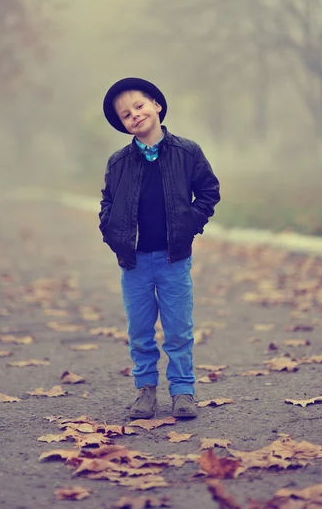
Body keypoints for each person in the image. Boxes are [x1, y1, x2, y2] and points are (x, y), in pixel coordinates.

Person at [99, 77, 220, 419]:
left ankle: (183, 392)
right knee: (139, 331)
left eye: (139, 106)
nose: (134, 115)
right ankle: (146, 392)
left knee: (178, 329)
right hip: (134, 262)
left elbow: (209, 191)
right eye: (126, 114)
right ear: (122, 125)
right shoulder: (118, 162)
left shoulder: (187, 152)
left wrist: (189, 225)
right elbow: (107, 201)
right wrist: (111, 231)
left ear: (157, 105)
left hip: (173, 259)